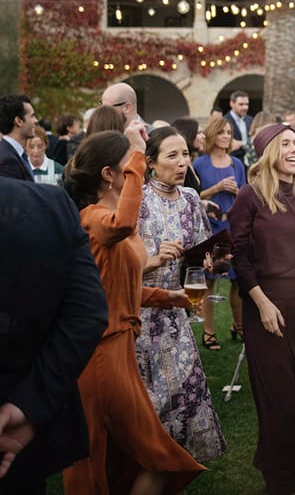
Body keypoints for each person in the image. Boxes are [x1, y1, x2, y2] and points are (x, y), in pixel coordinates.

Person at [62, 124, 205, 493]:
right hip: (102, 352)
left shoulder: (108, 221)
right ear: (109, 175)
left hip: (119, 346)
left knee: (120, 454)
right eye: (128, 167)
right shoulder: (95, 218)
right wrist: (140, 154)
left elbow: (113, 287)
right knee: (123, 454)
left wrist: (164, 297)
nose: (135, 174)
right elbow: (125, 222)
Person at [229, 123, 295, 495]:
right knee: (281, 399)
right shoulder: (251, 195)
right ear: (269, 151)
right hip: (266, 305)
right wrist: (260, 302)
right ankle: (286, 481)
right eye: (286, 143)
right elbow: (239, 256)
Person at [0, 177, 107, 493]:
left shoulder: (50, 205)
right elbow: (86, 314)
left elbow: (87, 313)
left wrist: (28, 408)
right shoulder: (49, 204)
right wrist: (29, 405)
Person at [135, 127, 227, 461]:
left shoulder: (190, 199)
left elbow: (200, 256)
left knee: (185, 395)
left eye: (185, 154)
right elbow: (114, 269)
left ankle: (174, 464)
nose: (182, 162)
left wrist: (213, 260)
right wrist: (155, 258)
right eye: (172, 155)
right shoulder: (138, 202)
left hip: (178, 316)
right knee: (149, 403)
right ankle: (149, 464)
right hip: (142, 316)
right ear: (150, 163)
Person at [193, 116, 246, 345]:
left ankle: (239, 325)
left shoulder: (237, 164)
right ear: (212, 135)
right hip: (211, 228)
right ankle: (209, 331)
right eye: (222, 132)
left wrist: (238, 193)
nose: (226, 136)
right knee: (211, 281)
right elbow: (193, 196)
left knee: (238, 281)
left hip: (232, 226)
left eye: (229, 132)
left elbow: (245, 195)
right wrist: (217, 187)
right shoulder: (200, 164)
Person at [0, 94, 38, 181]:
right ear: (19, 121)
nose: (36, 121)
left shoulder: (15, 154)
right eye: (32, 116)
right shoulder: (7, 160)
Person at [224, 90, 253, 169]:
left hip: (250, 163)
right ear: (232, 104)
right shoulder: (224, 121)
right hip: (232, 163)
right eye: (241, 104)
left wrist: (241, 143)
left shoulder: (250, 120)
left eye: (247, 104)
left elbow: (254, 139)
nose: (245, 107)